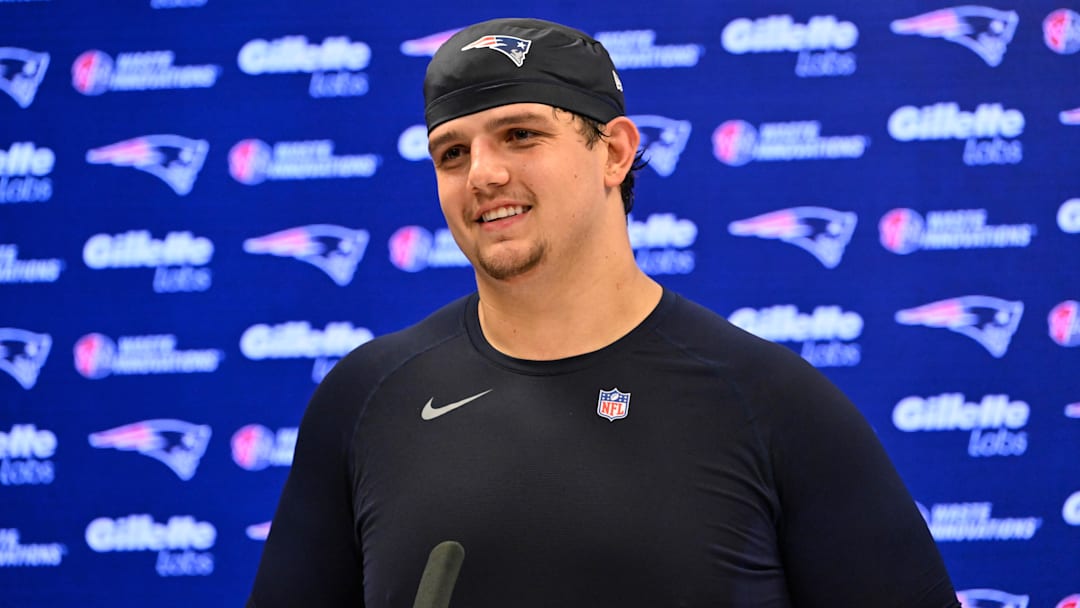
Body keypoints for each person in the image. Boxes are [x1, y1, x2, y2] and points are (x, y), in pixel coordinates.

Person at [247, 17, 961, 607]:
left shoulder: (769, 401)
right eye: (452, 153)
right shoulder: (368, 399)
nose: (484, 174)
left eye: (520, 135)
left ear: (614, 151)